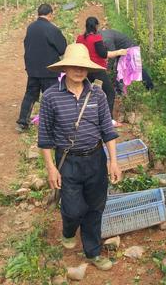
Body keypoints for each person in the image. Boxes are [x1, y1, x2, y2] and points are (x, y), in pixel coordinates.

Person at [38, 43, 122, 271]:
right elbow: (44, 135)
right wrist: (50, 168)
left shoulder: (97, 93)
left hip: (95, 159)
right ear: (65, 67)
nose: (78, 70)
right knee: (73, 209)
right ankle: (68, 228)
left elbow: (107, 129)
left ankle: (93, 252)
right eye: (74, 66)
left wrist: (113, 161)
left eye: (82, 67)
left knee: (95, 207)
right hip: (68, 161)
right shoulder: (51, 97)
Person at [16, 4, 67, 133]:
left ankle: (22, 122)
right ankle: (53, 124)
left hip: (33, 69)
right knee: (51, 96)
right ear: (50, 14)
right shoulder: (52, 29)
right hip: (49, 70)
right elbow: (62, 49)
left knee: (30, 95)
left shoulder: (31, 28)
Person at [76, 17, 128, 123]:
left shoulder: (80, 39)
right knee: (109, 92)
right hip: (97, 70)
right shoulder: (96, 38)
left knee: (90, 93)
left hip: (85, 70)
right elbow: (103, 54)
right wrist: (119, 52)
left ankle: (88, 117)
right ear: (96, 26)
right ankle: (109, 120)